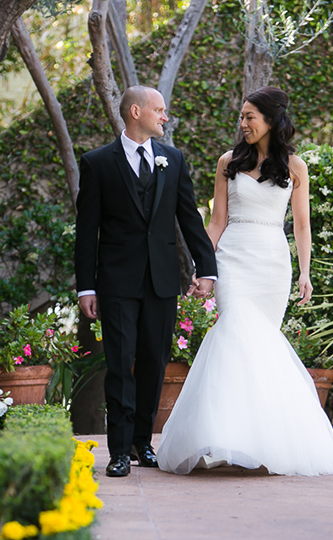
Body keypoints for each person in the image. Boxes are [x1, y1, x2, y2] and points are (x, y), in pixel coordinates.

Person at [157, 86, 333, 476]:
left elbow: (302, 224)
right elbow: (217, 221)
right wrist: (203, 266)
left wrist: (305, 271)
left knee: (258, 350)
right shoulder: (228, 162)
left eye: (249, 117)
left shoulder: (295, 166)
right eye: (241, 117)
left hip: (273, 264)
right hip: (234, 261)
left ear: (271, 120)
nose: (242, 124)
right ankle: (223, 438)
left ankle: (256, 441)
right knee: (235, 334)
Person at [74, 85, 218, 478]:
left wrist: (207, 268)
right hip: (116, 282)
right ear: (135, 112)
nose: (165, 117)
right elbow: (86, 232)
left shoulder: (172, 159)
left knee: (154, 362)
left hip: (161, 280)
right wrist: (87, 286)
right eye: (160, 110)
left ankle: (142, 442)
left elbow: (189, 218)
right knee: (120, 364)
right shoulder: (97, 163)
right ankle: (118, 451)